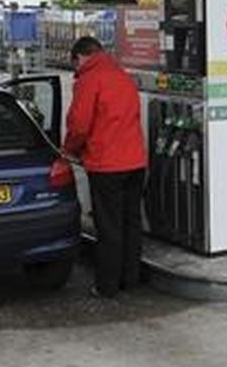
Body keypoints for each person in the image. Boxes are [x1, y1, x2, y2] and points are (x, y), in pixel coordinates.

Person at [63, 37, 147, 299]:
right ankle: (130, 279)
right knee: (131, 222)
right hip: (135, 162)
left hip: (107, 165)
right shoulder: (122, 75)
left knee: (109, 226)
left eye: (75, 63)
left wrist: (69, 150)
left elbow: (79, 124)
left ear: (80, 57)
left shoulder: (89, 79)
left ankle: (107, 285)